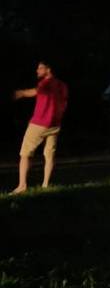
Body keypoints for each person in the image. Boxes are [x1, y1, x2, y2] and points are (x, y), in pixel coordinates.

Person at [11, 61, 68, 194]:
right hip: (55, 124)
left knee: (25, 154)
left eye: (40, 68)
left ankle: (22, 186)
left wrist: (21, 93)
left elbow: (35, 91)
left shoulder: (46, 83)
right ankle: (45, 184)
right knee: (49, 154)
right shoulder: (63, 85)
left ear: (49, 69)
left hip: (39, 123)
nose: (37, 70)